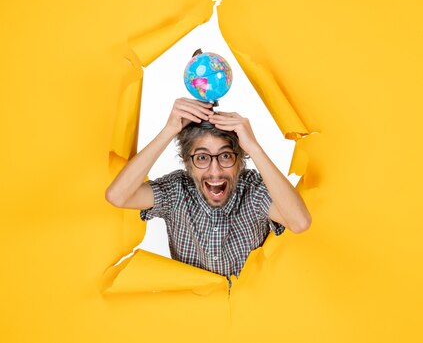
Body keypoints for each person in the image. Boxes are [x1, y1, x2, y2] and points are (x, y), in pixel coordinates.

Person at [105, 98, 312, 278]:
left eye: (225, 156)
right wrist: (169, 130)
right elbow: (118, 196)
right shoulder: (177, 191)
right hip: (195, 314)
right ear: (188, 163)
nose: (215, 171)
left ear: (240, 160)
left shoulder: (253, 190)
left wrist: (254, 148)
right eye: (202, 157)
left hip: (249, 313)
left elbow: (299, 222)